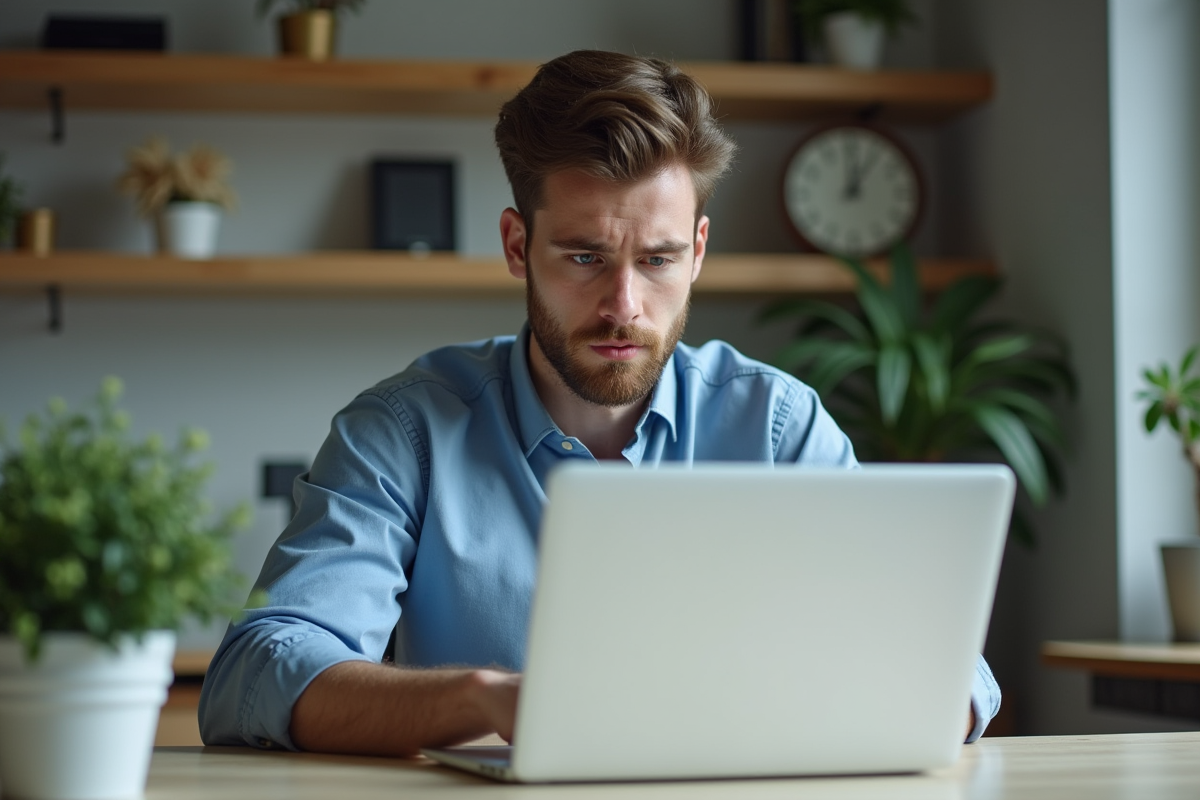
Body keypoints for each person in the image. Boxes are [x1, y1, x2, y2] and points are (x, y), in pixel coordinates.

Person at [198, 49, 1001, 755]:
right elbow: (257, 671)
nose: (624, 305)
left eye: (656, 259)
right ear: (518, 246)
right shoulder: (405, 432)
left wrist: (919, 693)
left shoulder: (777, 426)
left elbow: (953, 668)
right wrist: (480, 698)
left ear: (698, 252)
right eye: (584, 256)